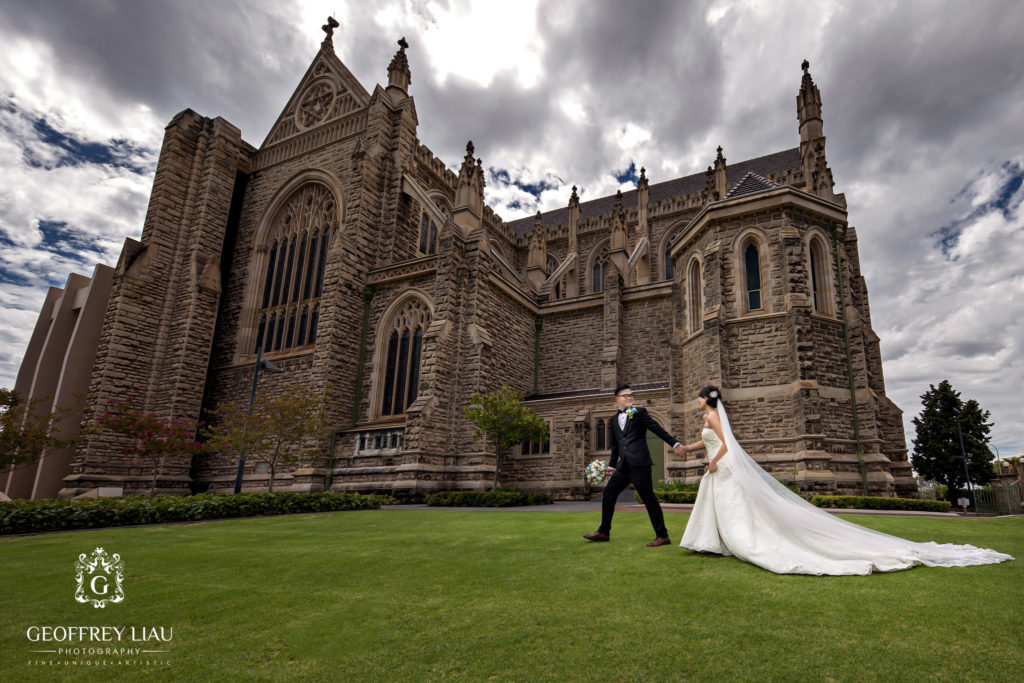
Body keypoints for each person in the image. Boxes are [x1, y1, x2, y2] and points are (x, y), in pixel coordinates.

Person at [679, 386, 1014, 574]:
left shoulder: (711, 416)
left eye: (699, 397)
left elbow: (724, 445)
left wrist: (713, 463)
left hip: (721, 468)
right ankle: (715, 541)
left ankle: (737, 542)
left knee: (734, 507)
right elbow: (708, 441)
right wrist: (687, 448)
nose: (697, 400)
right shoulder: (707, 418)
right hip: (718, 469)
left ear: (709, 400)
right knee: (722, 506)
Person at [584, 384, 686, 547]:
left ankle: (663, 536)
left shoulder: (639, 413)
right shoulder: (612, 420)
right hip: (623, 466)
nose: (630, 397)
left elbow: (656, 429)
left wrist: (675, 444)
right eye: (625, 395)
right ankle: (603, 532)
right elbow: (616, 445)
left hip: (640, 464)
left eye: (631, 395)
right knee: (609, 494)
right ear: (617, 399)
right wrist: (611, 466)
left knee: (649, 499)